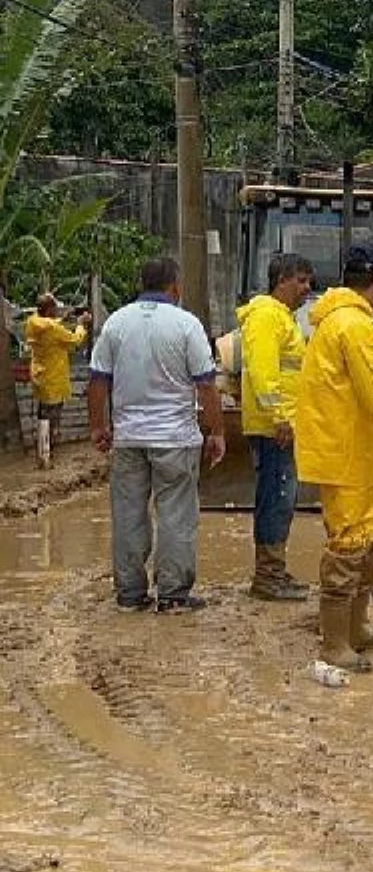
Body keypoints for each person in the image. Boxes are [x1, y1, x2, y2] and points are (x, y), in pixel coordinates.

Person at [294, 245, 373, 672]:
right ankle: (334, 642)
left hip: (352, 451)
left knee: (371, 539)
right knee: (349, 546)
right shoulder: (358, 328)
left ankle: (355, 624)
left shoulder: (335, 322)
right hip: (350, 453)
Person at [87, 258, 223, 613]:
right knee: (176, 516)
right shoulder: (186, 324)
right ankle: (173, 595)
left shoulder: (115, 323)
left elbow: (98, 382)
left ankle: (130, 594)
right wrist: (217, 432)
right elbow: (206, 386)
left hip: (129, 439)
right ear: (174, 287)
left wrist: (98, 427)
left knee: (128, 515)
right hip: (176, 439)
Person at [237, 252, 314, 601]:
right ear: (281, 279)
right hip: (274, 428)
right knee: (277, 498)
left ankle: (274, 570)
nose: (306, 288)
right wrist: (279, 416)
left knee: (281, 497)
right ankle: (268, 576)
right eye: (301, 280)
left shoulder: (281, 318)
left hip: (281, 424)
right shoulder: (267, 316)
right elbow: (262, 371)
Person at [25, 294, 91, 467]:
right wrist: (81, 325)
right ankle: (46, 457)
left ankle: (42, 453)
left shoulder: (33, 322)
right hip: (54, 379)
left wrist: (63, 319)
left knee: (42, 416)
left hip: (39, 376)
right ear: (48, 309)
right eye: (54, 308)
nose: (56, 310)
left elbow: (50, 326)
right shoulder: (53, 329)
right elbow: (75, 341)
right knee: (53, 420)